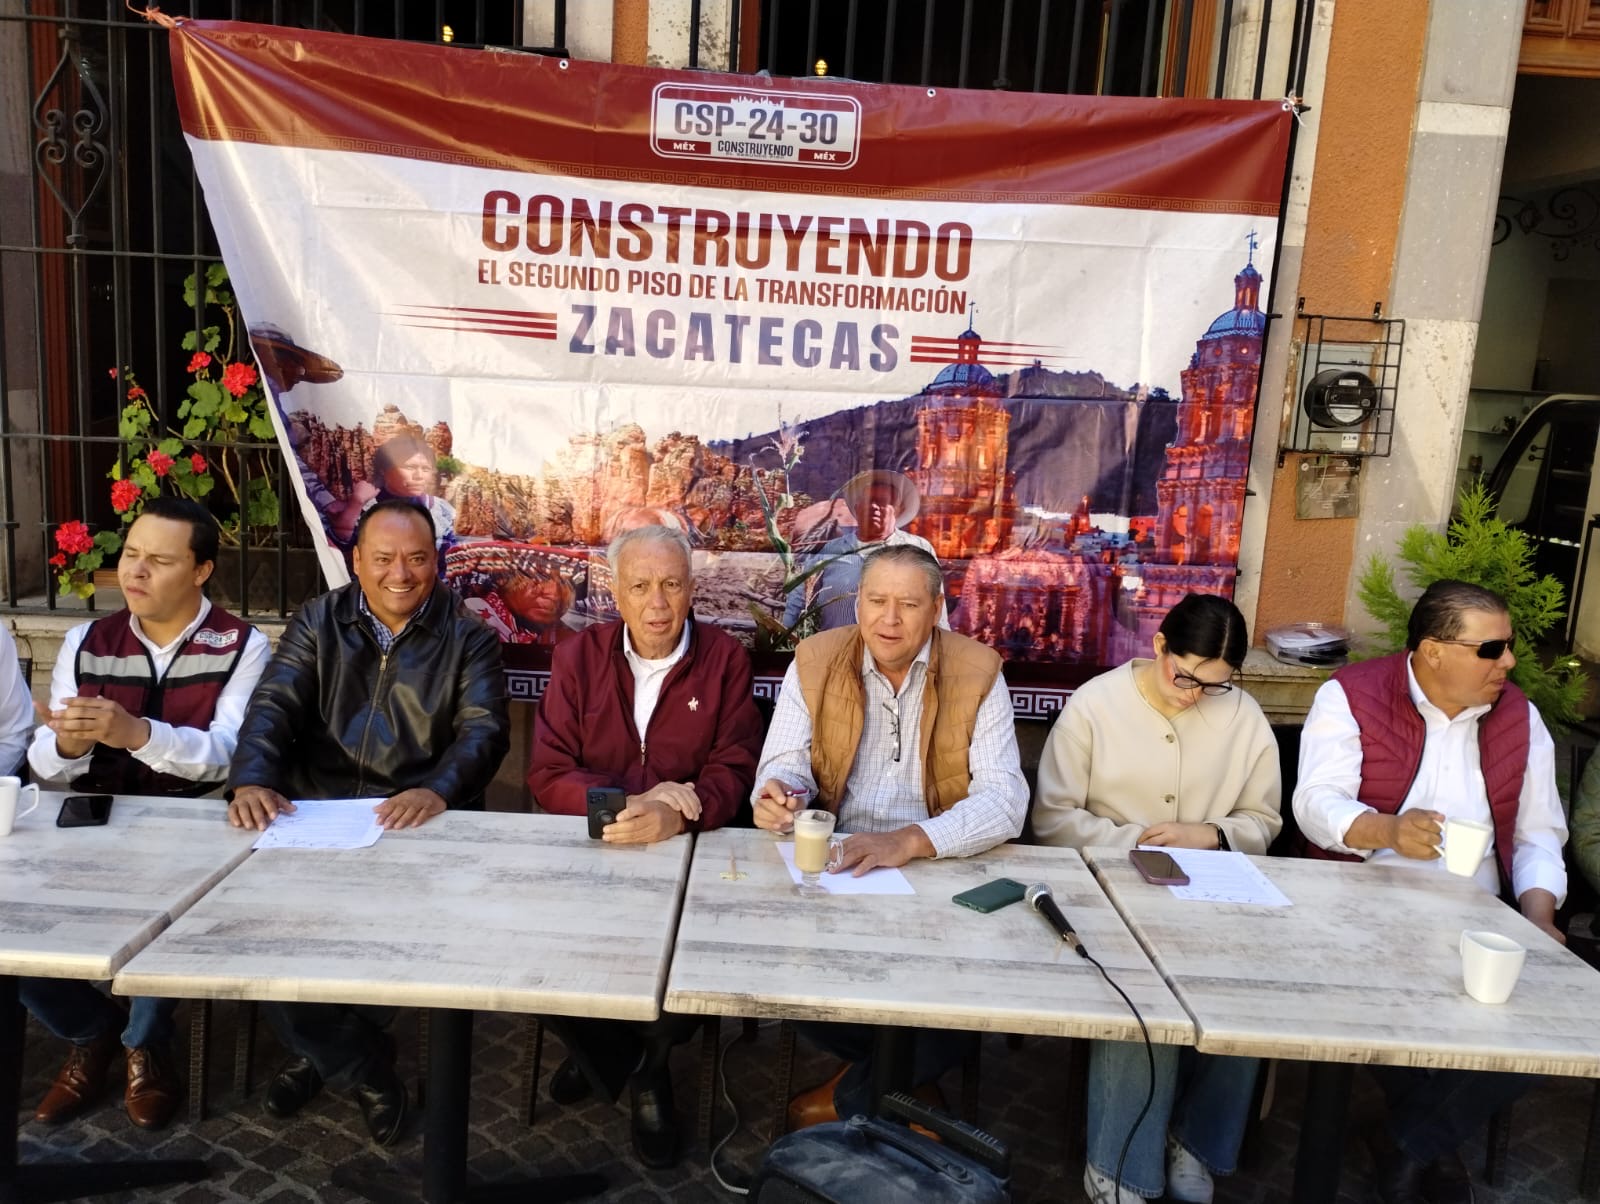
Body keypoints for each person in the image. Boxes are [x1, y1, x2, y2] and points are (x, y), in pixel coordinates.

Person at [226, 498, 510, 1146]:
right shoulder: (318, 620)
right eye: (383, 558)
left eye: (416, 558)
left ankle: (323, 1051)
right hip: (315, 813)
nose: (400, 574)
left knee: (398, 937)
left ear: (436, 562)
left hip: (413, 825)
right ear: (356, 560)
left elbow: (484, 731)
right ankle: (362, 1064)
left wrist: (437, 789)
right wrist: (252, 778)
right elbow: (273, 705)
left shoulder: (469, 637)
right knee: (259, 928)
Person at [1294, 579, 1567, 1204]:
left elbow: (1538, 835)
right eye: (1491, 648)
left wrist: (1539, 916)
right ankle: (1427, 1145)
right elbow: (1314, 803)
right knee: (1377, 1000)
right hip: (1360, 910)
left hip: (1476, 917)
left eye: (1509, 646)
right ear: (1433, 651)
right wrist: (1385, 829)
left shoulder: (1519, 716)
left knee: (1552, 1019)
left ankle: (1407, 1140)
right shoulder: (1351, 694)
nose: (1508, 662)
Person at [753, 544, 1028, 1127]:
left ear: (937, 608)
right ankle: (907, 1089)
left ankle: (851, 1100)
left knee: (971, 992)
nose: (889, 619)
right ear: (858, 602)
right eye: (876, 600)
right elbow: (785, 761)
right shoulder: (815, 659)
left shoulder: (979, 671)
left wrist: (907, 842)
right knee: (790, 980)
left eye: (908, 604)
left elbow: (1005, 804)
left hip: (938, 867)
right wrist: (781, 793)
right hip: (840, 865)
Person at [23, 497, 271, 1132]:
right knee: (12, 914)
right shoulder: (87, 640)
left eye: (159, 560)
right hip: (94, 817)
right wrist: (69, 745)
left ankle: (144, 1044)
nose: (136, 571)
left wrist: (139, 734)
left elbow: (229, 754)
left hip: (194, 822)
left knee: (176, 909)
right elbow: (47, 763)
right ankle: (91, 1029)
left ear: (201, 571)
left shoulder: (242, 645)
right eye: (131, 554)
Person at [1032, 592, 1281, 1204]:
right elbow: (1052, 819)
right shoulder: (1096, 704)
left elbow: (1264, 820)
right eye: (1185, 676)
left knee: (1249, 986)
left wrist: (1211, 834)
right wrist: (1133, 843)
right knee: (1140, 989)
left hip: (1212, 895)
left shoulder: (1244, 716)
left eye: (1214, 685)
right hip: (1107, 890)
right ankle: (1119, 1166)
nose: (1195, 695)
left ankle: (1195, 1141)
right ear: (1160, 645)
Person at [527, 524, 763, 1167]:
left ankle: (638, 1066)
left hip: (687, 855)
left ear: (691, 589)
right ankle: (619, 1056)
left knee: (693, 958)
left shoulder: (724, 659)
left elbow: (734, 771)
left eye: (671, 585)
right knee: (535, 948)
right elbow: (547, 773)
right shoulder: (578, 656)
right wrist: (631, 803)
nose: (657, 603)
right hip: (596, 845)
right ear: (615, 591)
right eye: (640, 586)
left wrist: (677, 819)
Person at [782, 469, 941, 633]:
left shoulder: (918, 548)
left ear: (899, 509)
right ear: (857, 508)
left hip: (896, 648)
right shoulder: (832, 549)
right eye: (868, 501)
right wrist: (784, 631)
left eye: (883, 502)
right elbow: (800, 596)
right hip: (837, 646)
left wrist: (942, 644)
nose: (874, 507)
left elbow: (936, 607)